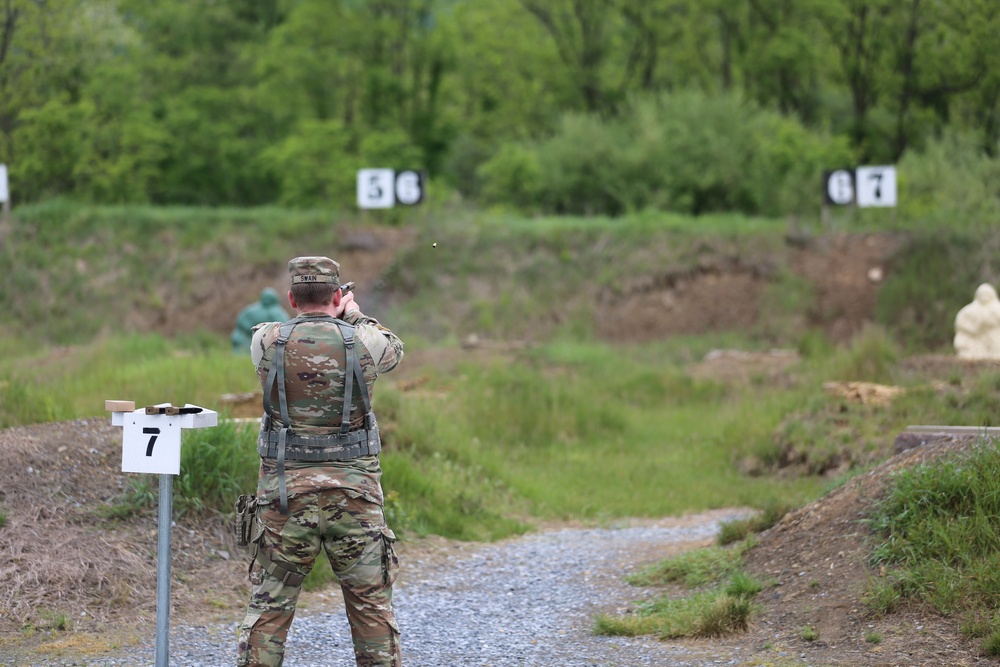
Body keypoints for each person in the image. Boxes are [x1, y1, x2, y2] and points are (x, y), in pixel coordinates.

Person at [237, 256, 404, 667]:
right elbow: (394, 349)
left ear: (291, 298)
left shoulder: (266, 339)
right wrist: (355, 315)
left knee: (270, 608)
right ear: (336, 295)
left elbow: (265, 337)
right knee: (370, 608)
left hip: (283, 498)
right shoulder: (364, 341)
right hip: (356, 497)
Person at [231, 288, 290, 353]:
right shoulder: (252, 311)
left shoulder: (276, 312)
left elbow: (285, 327)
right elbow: (241, 321)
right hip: (247, 337)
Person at [954, 283, 1000, 360]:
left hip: (994, 335)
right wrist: (974, 327)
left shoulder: (997, 308)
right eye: (982, 294)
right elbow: (960, 323)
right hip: (975, 337)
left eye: (987, 294)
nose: (985, 297)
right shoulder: (969, 310)